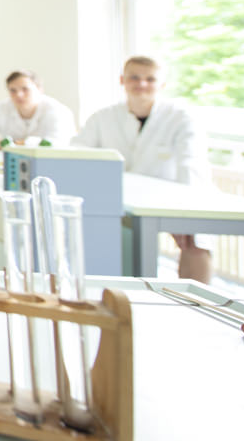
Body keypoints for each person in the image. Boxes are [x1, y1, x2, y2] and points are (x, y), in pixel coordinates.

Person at [74, 55, 213, 282]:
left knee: (196, 241)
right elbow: (77, 153)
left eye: (150, 79)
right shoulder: (103, 117)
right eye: (134, 78)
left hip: (172, 196)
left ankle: (196, 304)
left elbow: (191, 163)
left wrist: (188, 215)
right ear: (122, 80)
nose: (142, 84)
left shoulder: (181, 117)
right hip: (115, 197)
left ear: (162, 85)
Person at [0, 70, 76, 149]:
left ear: (39, 89)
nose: (19, 95)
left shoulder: (58, 111)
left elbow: (58, 144)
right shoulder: (4, 108)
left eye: (25, 89)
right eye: (13, 90)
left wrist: (18, 144)